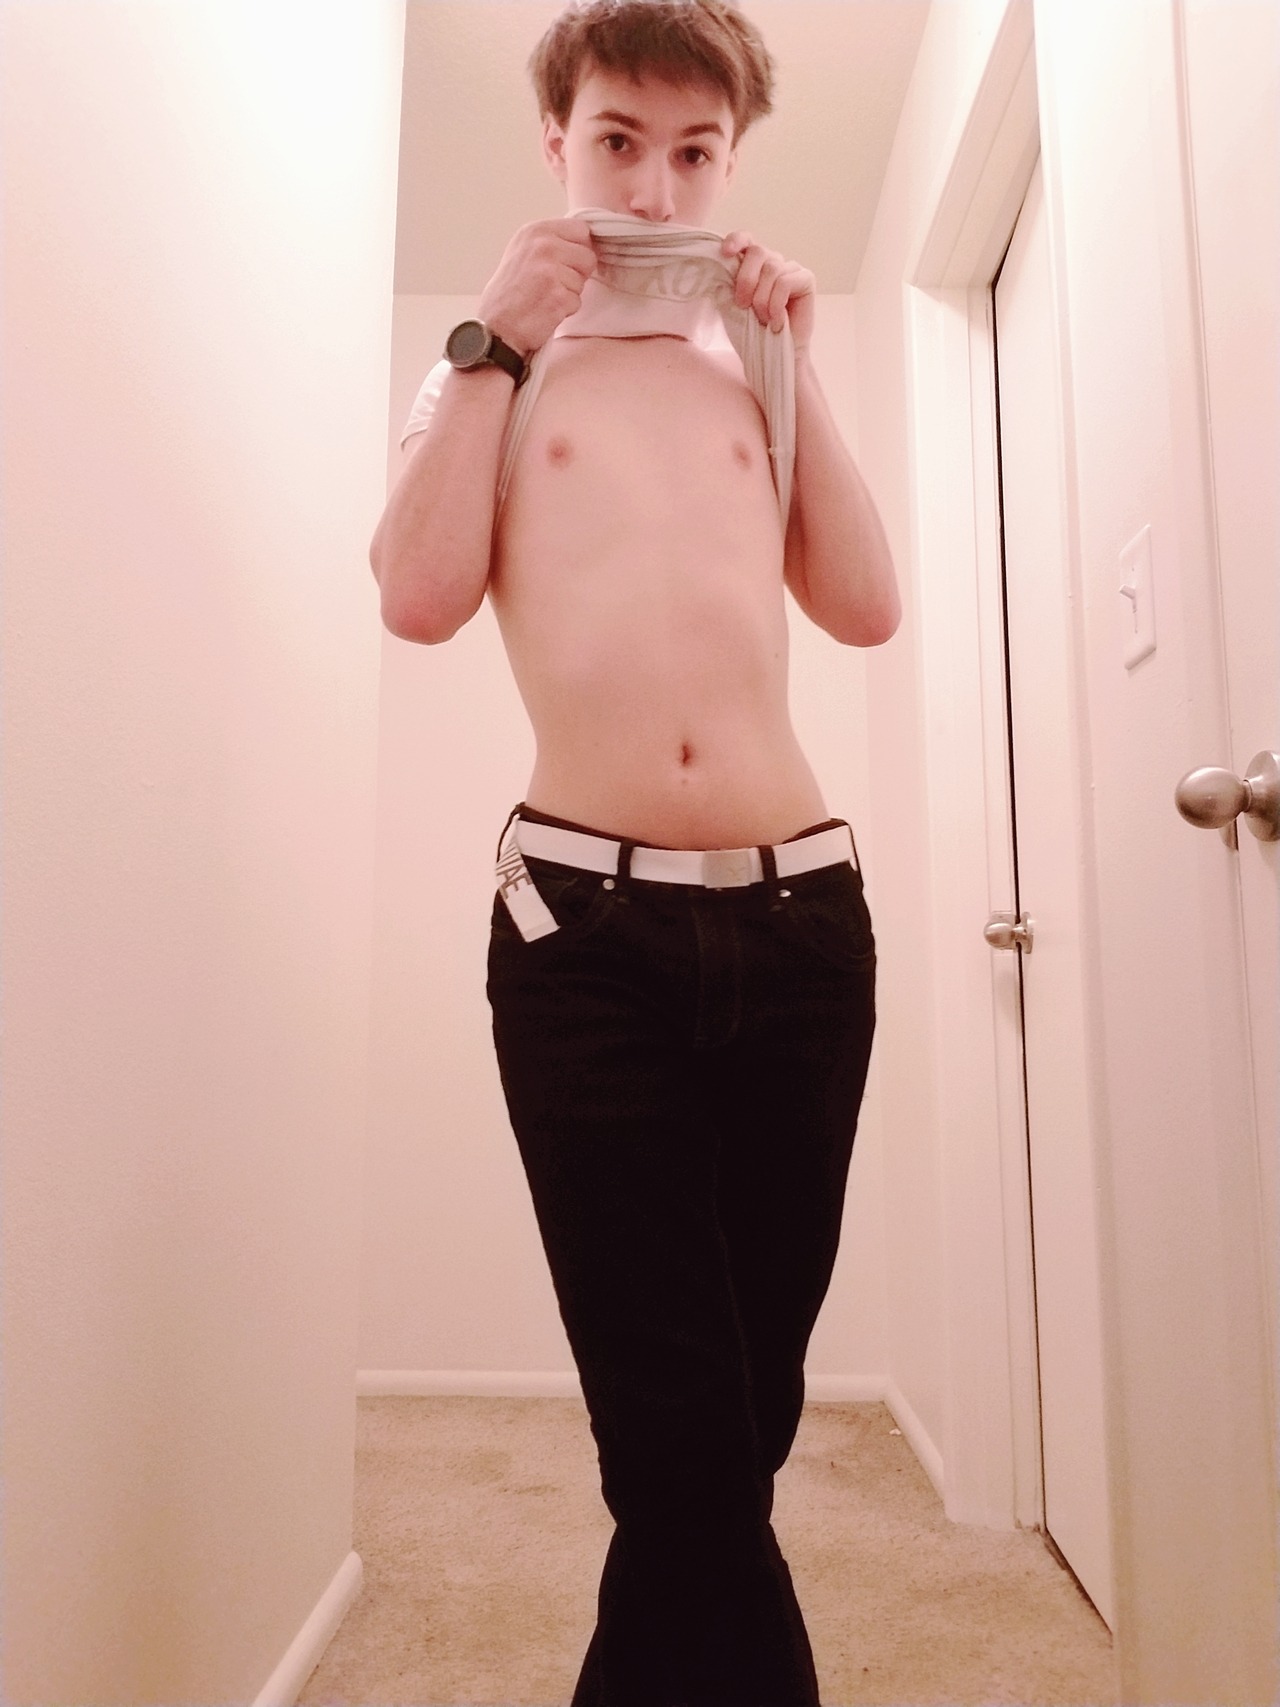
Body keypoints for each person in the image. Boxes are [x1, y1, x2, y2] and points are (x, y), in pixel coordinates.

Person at [369, 2, 899, 1700]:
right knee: (674, 1423)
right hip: (580, 937)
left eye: (694, 153)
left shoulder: (750, 363)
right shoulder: (492, 367)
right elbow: (418, 597)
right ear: (558, 141)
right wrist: (491, 340)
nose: (654, 191)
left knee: (738, 1415)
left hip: (802, 924)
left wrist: (798, 356)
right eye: (617, 143)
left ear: (732, 161)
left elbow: (867, 607)